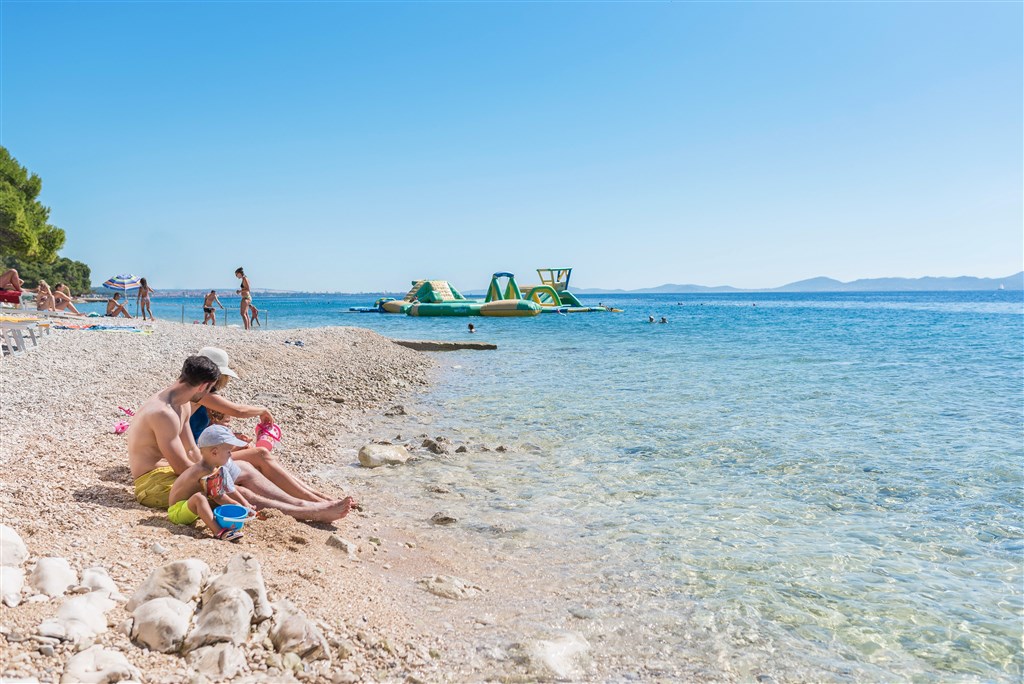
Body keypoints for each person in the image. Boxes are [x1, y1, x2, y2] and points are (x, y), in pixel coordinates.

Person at [127, 355, 353, 521]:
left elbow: (193, 452)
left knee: (242, 468)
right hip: (152, 484)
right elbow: (182, 469)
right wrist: (225, 482)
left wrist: (223, 469)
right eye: (211, 389)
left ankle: (303, 503)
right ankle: (312, 512)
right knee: (233, 490)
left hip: (171, 472)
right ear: (204, 386)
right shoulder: (164, 413)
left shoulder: (181, 402)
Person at [190, 346, 332, 503]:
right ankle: (310, 498)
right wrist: (262, 410)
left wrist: (232, 439)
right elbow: (238, 411)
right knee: (261, 454)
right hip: (198, 456)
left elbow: (205, 433)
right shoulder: (200, 394)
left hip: (202, 451)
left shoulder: (197, 392)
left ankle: (313, 494)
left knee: (254, 451)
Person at [166, 425, 252, 541]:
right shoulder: (204, 471)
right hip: (176, 512)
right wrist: (237, 505)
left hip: (186, 508)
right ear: (215, 452)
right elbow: (219, 497)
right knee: (200, 498)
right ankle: (219, 532)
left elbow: (228, 488)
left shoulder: (210, 467)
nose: (230, 455)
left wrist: (244, 504)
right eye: (228, 451)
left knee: (204, 498)